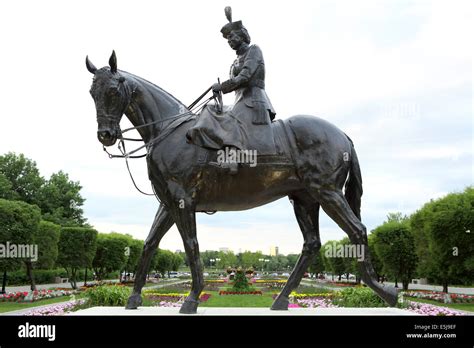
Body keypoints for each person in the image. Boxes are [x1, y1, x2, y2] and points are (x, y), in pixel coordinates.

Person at [186, 7, 276, 173]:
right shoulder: (235, 61)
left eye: (232, 36)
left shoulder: (254, 50)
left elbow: (245, 77)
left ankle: (233, 158)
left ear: (242, 35)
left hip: (253, 101)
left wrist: (222, 87)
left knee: (232, 118)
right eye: (227, 38)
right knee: (211, 109)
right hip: (240, 100)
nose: (229, 40)